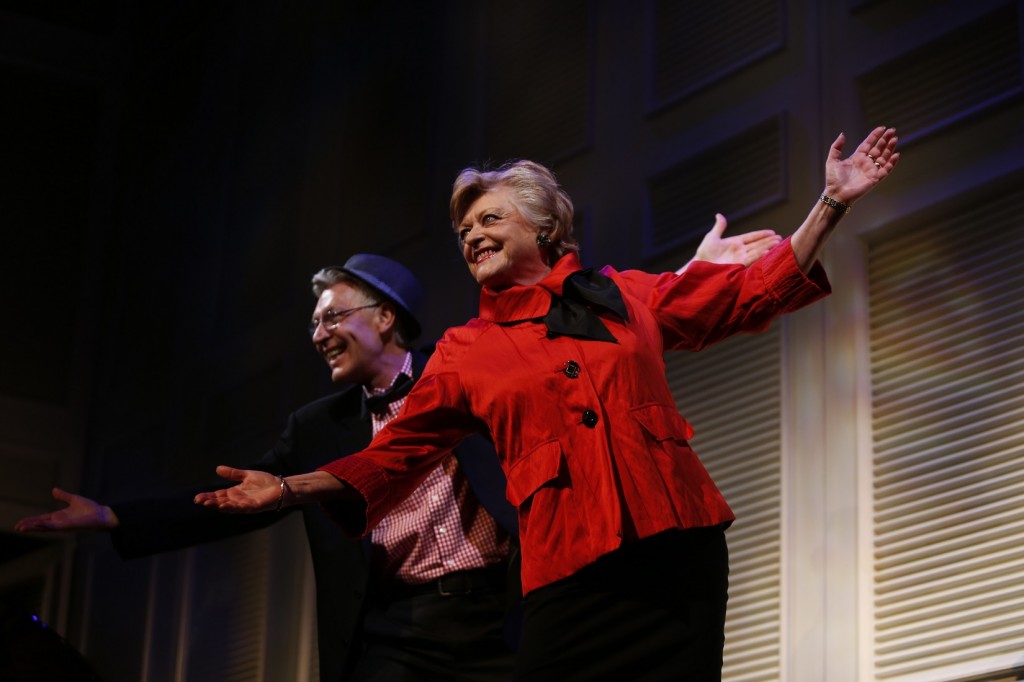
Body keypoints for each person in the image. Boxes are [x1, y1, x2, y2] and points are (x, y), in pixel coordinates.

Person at [194, 126, 899, 680]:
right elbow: (395, 455)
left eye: (488, 217)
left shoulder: (619, 295)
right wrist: (287, 489)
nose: (470, 234)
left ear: (542, 228)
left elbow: (744, 292)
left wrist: (832, 202)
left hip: (678, 552)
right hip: (570, 572)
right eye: (463, 230)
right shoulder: (466, 350)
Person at [16, 226, 773, 680]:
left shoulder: (478, 361)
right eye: (313, 322)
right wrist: (117, 516)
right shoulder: (317, 426)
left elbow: (592, 317)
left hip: (493, 616)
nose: (317, 333)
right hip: (390, 632)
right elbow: (239, 502)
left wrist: (693, 271)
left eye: (331, 316)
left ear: (385, 318)